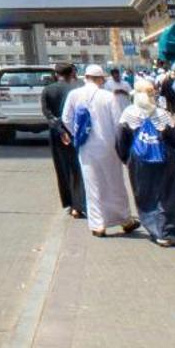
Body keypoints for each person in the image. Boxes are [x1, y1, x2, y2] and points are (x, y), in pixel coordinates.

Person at [64, 63, 138, 237]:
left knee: (93, 185)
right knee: (115, 183)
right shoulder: (107, 96)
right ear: (99, 79)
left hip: (86, 147)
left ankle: (98, 225)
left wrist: (77, 134)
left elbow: (66, 118)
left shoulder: (74, 95)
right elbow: (118, 122)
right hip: (108, 146)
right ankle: (125, 219)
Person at [115, 78, 175, 245]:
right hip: (165, 160)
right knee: (169, 195)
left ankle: (156, 230)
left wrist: (127, 159)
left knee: (145, 195)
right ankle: (168, 231)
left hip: (139, 161)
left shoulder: (128, 113)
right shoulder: (162, 113)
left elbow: (120, 141)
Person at [42, 59, 85, 218]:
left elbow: (48, 114)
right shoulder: (78, 88)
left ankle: (70, 203)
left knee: (63, 169)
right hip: (76, 132)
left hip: (57, 133)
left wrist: (60, 131)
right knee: (78, 168)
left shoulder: (48, 90)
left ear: (56, 74)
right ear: (71, 73)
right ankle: (79, 204)